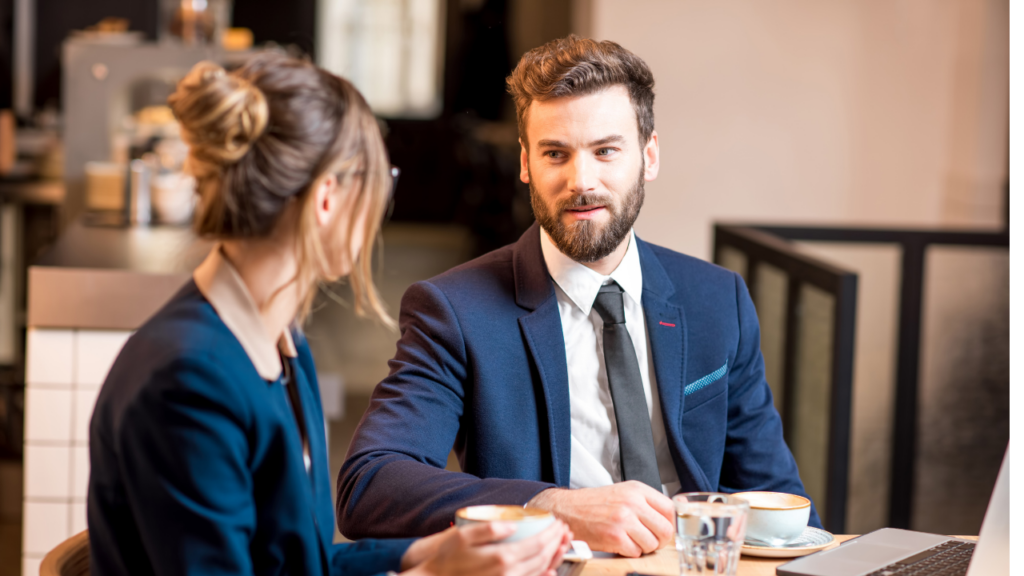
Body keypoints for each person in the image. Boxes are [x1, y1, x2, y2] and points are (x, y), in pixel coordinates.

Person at [88, 53, 571, 576]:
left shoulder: (280, 344)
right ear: (326, 198)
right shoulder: (188, 381)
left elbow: (295, 563)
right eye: (378, 181)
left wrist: (424, 553)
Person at [337, 35, 820, 558]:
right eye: (555, 154)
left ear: (649, 156)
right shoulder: (454, 310)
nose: (581, 181)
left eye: (605, 151)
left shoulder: (717, 299)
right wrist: (550, 506)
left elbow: (777, 497)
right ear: (526, 163)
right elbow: (371, 484)